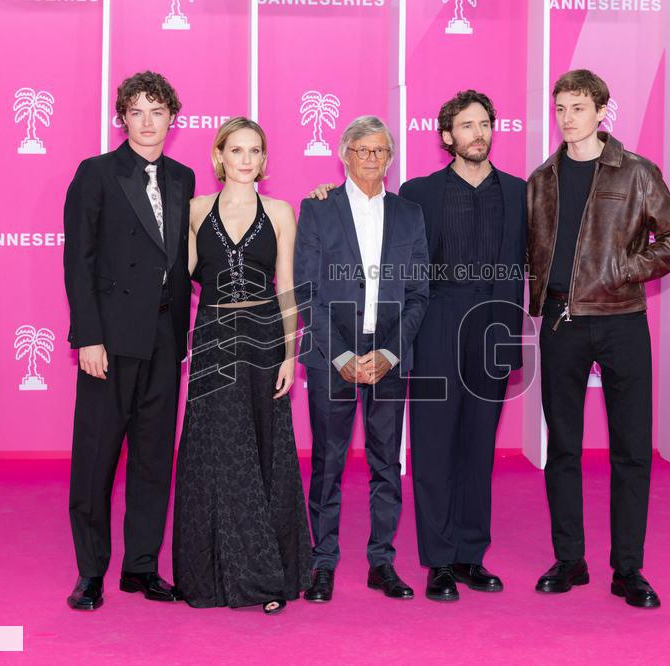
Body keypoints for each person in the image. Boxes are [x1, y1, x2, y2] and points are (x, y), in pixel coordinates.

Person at [527, 69, 670, 609]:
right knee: (564, 450)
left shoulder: (637, 171)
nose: (567, 118)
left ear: (601, 111)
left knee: (631, 450)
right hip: (560, 324)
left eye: (577, 107)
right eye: (560, 108)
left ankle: (628, 569)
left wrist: (625, 269)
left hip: (621, 320)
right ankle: (570, 559)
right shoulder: (542, 180)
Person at [63, 71, 194, 611]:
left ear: (171, 118)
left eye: (157, 111)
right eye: (136, 111)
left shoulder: (184, 177)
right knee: (96, 461)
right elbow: (79, 262)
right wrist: (88, 336)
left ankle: (141, 567)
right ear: (122, 117)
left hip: (166, 337)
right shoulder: (95, 174)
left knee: (152, 459)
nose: (147, 122)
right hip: (111, 341)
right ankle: (91, 572)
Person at [172, 117, 311, 615]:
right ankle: (209, 577)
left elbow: (289, 288)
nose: (246, 159)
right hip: (212, 336)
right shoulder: (192, 210)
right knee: (215, 454)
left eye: (255, 150)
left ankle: (265, 576)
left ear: (265, 160)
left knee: (263, 451)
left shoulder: (279, 212)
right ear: (219, 157)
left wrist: (291, 355)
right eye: (237, 150)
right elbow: (180, 275)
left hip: (262, 338)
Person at [398, 90, 527, 602]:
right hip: (436, 322)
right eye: (466, 125)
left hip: (495, 323)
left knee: (479, 443)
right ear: (447, 137)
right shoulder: (418, 192)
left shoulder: (519, 192)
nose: (478, 133)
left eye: (485, 124)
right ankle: (438, 562)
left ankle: (471, 555)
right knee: (433, 443)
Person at [294, 116, 429, 603]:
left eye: (381, 151)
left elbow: (418, 294)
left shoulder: (410, 214)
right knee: (327, 463)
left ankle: (381, 561)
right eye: (363, 150)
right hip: (333, 355)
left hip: (389, 355)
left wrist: (390, 353)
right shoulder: (317, 210)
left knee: (386, 464)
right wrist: (344, 354)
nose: (372, 159)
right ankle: (323, 561)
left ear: (390, 159)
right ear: (344, 154)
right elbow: (307, 291)